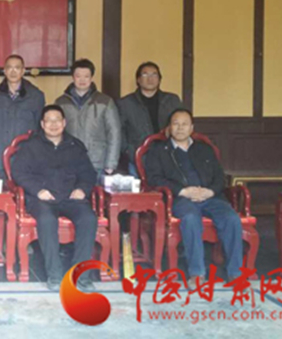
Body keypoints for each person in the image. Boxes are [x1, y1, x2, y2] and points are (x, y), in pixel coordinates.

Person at [145, 109, 243, 288]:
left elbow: (219, 177)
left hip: (210, 197)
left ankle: (235, 273)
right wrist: (183, 191)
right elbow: (154, 179)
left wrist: (210, 192)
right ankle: (197, 273)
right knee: (190, 219)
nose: (180, 128)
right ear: (169, 128)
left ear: (191, 128)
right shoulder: (158, 151)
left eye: (184, 124)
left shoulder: (204, 149)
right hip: (181, 199)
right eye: (176, 124)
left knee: (231, 218)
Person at [10, 105, 98, 292]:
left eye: (57, 120)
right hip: (43, 199)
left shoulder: (75, 146)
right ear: (42, 124)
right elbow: (19, 172)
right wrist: (38, 190)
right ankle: (55, 275)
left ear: (64, 123)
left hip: (71, 198)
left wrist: (82, 189)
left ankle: (81, 276)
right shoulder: (31, 146)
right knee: (47, 220)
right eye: (48, 121)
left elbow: (89, 174)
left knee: (88, 218)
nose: (53, 124)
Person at [55, 58, 121, 182]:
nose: (82, 80)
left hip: (97, 161)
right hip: (68, 160)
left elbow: (114, 132)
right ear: (73, 77)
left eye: (86, 76)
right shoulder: (61, 102)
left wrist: (111, 163)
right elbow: (55, 133)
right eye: (78, 76)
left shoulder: (105, 101)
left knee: (96, 193)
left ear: (91, 78)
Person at [0, 54, 46, 179]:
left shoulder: (35, 95)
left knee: (24, 189)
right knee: (1, 190)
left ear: (23, 71)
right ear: (4, 70)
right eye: (9, 67)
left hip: (26, 155)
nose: (13, 71)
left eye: (17, 68)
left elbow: (39, 126)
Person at [118, 61, 183, 176]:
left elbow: (183, 123)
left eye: (154, 74)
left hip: (169, 155)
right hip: (138, 156)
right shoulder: (125, 103)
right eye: (145, 74)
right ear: (138, 79)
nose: (150, 78)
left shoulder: (172, 100)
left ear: (159, 79)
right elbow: (119, 131)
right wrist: (129, 151)